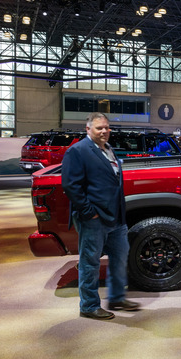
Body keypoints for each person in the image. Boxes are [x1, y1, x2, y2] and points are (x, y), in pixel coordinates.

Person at [61, 112, 140, 320]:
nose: (104, 131)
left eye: (107, 127)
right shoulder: (77, 151)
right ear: (88, 129)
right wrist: (89, 213)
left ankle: (116, 297)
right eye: (99, 128)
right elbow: (71, 186)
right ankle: (88, 306)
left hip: (116, 217)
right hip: (94, 219)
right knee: (90, 262)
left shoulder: (108, 149)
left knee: (120, 257)